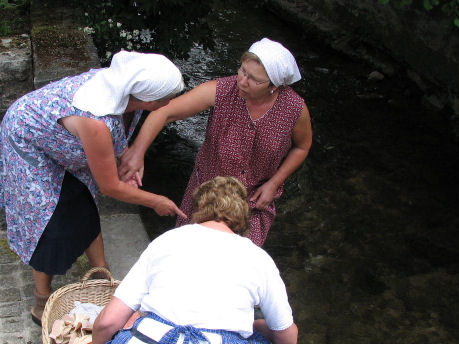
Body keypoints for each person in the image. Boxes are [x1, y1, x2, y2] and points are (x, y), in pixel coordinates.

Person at [0, 51, 187, 325]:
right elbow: (110, 187)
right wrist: (155, 201)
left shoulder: (125, 92)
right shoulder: (96, 120)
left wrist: (128, 156)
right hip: (28, 140)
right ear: (149, 99)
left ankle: (101, 275)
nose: (172, 102)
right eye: (168, 97)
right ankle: (41, 300)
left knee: (83, 204)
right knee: (49, 224)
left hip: (61, 141)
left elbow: (115, 147)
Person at [73, 176, 298, 344]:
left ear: (199, 209)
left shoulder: (166, 241)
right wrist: (249, 327)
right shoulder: (258, 258)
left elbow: (108, 322)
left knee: (131, 328)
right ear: (242, 216)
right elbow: (287, 338)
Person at [118, 37, 313, 247]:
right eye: (243, 70)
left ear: (275, 86)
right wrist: (138, 151)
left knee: (235, 268)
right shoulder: (222, 91)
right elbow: (164, 112)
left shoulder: (294, 109)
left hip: (252, 204)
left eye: (254, 79)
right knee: (188, 255)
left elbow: (302, 147)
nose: (243, 80)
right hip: (205, 198)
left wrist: (274, 183)